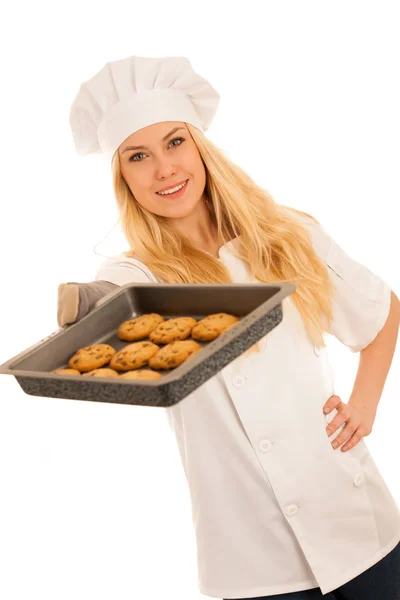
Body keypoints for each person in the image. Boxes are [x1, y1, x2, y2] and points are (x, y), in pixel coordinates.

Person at [58, 54, 400, 599]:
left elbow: (381, 310)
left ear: (200, 147)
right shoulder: (137, 272)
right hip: (251, 556)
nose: (164, 169)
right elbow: (117, 306)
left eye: (175, 143)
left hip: (357, 521)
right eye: (138, 156)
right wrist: (86, 307)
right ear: (123, 177)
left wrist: (364, 404)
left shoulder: (289, 235)